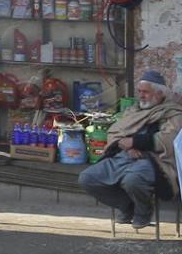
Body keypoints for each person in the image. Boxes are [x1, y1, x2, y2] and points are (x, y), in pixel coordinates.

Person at [78, 70, 182, 229]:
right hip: (124, 156)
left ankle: (143, 212)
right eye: (139, 91)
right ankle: (127, 206)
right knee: (87, 178)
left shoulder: (173, 113)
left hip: (155, 160)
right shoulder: (134, 110)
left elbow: (169, 139)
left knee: (133, 180)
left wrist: (134, 142)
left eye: (145, 92)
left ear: (159, 93)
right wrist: (123, 145)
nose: (141, 95)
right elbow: (115, 131)